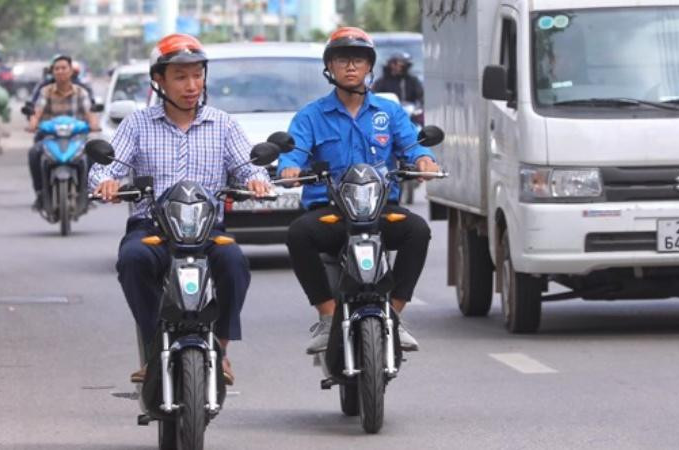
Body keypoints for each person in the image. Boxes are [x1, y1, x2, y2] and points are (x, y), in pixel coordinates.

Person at [88, 34, 272, 384]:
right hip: (152, 228)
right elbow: (106, 167)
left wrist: (257, 181)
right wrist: (105, 183)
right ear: (159, 80)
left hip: (206, 231)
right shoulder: (137, 124)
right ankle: (156, 346)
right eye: (180, 77)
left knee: (234, 263)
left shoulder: (224, 123)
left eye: (197, 75)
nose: (191, 86)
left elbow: (250, 167)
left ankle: (220, 348)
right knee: (133, 260)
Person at [278, 27, 441, 354]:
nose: (350, 67)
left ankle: (394, 314)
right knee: (298, 234)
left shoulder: (389, 112)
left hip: (380, 211)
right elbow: (293, 152)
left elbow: (412, 145)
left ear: (370, 67)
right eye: (342, 60)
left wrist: (424, 160)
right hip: (331, 213)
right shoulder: (311, 115)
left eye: (358, 60)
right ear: (330, 68)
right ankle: (326, 317)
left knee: (418, 231)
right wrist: (290, 168)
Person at [27, 55, 99, 209]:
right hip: (50, 138)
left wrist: (93, 124)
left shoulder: (81, 92)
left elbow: (90, 111)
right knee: (34, 153)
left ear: (71, 71)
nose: (60, 71)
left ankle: (90, 191)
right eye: (56, 69)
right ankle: (40, 193)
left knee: (92, 153)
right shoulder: (45, 91)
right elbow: (37, 110)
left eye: (63, 68)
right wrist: (33, 123)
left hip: (76, 138)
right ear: (52, 72)